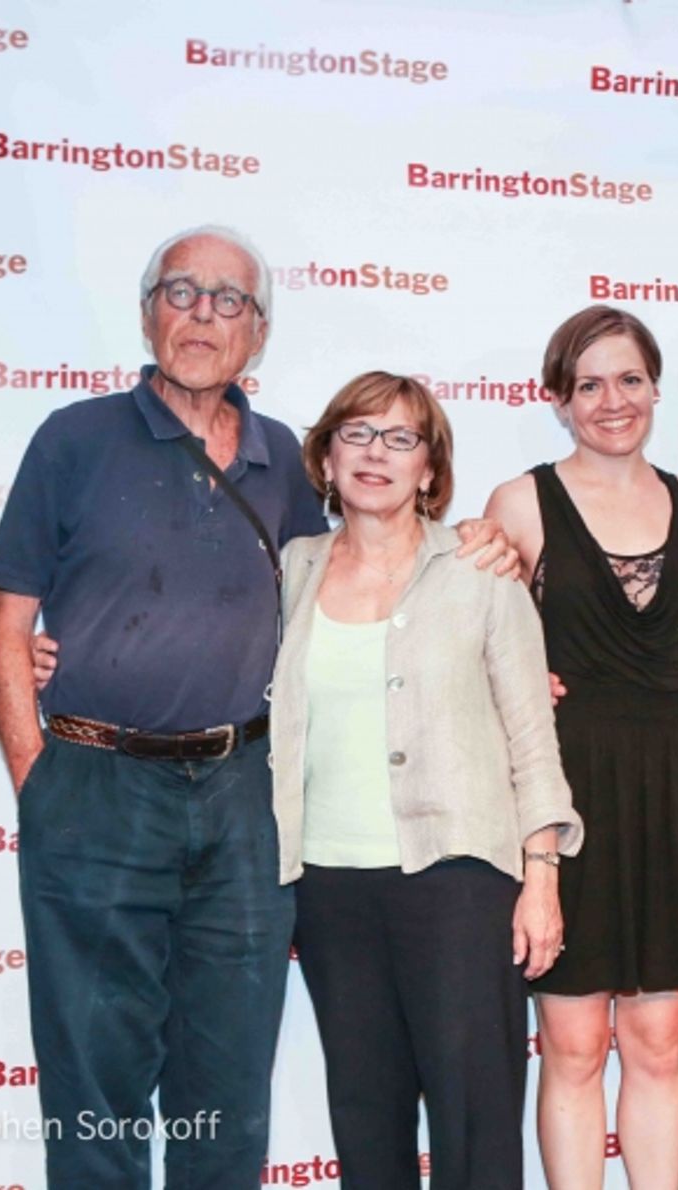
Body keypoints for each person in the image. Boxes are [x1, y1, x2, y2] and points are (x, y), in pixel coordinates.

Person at [0, 225, 511, 1188]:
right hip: (95, 790)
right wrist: (40, 780)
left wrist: (485, 545)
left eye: (230, 301)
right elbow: (10, 618)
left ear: (256, 333)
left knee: (225, 1086)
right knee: (93, 1083)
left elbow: (377, 574)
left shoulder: (288, 466)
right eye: (181, 292)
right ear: (148, 313)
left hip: (244, 802)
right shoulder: (72, 439)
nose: (203, 315)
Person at [272, 371, 582, 1190]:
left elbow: (531, 735)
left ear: (430, 470)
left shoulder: (484, 570)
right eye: (357, 433)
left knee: (474, 1125)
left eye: (401, 437)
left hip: (461, 883)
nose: (377, 453)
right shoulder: (291, 569)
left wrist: (542, 876)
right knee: (366, 1121)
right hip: (330, 887)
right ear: (327, 457)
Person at [483, 306, 678, 1190]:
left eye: (628, 379)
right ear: (559, 400)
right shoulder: (519, 503)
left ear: (655, 388)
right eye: (588, 384)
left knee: (660, 1047)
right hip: (567, 793)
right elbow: (471, 639)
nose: (611, 401)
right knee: (574, 1048)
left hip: (672, 787)